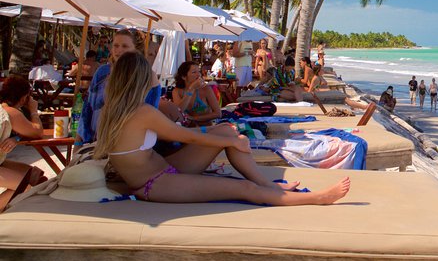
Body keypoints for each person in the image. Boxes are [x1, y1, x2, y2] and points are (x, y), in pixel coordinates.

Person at [95, 52, 350, 205]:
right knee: (244, 189)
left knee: (227, 131)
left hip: (165, 168)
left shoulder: (115, 109)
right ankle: (317, 198)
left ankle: (268, 184)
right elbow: (187, 136)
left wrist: (226, 136)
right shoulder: (143, 113)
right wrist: (233, 142)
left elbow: (186, 132)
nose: (155, 72)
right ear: (139, 77)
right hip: (155, 184)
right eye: (149, 69)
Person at [80, 30, 161, 145]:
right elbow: (87, 109)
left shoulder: (148, 77)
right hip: (94, 141)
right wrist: (79, 142)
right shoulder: (103, 72)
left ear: (136, 50)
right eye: (116, 46)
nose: (119, 50)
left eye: (125, 46)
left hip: (128, 145)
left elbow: (150, 115)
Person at [0, 76, 48, 208]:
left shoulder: (3, 110)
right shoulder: (10, 112)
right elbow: (37, 132)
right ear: (23, 98)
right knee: (27, 186)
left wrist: (16, 138)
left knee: (35, 176)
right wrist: (33, 110)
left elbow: (20, 131)